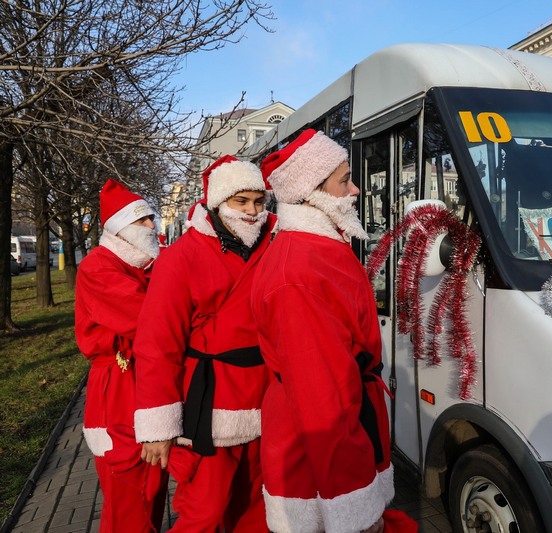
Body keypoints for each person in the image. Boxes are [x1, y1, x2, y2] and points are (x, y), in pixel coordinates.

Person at [254, 130, 415, 533]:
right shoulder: (298, 273)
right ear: (311, 194)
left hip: (332, 433)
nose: (355, 189)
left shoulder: (316, 249)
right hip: (317, 461)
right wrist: (355, 506)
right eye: (344, 180)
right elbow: (323, 401)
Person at [133, 155, 276, 532]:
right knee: (204, 511)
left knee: (257, 508)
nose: (252, 212)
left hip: (266, 396)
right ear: (217, 203)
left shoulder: (274, 244)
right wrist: (159, 427)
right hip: (210, 403)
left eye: (258, 201)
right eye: (241, 201)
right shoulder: (181, 257)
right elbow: (157, 344)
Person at [74, 178, 168, 533]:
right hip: (119, 386)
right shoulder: (98, 266)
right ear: (121, 227)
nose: (151, 226)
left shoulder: (143, 264)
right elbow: (148, 318)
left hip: (141, 379)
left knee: (152, 487)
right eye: (142, 220)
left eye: (151, 218)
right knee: (130, 491)